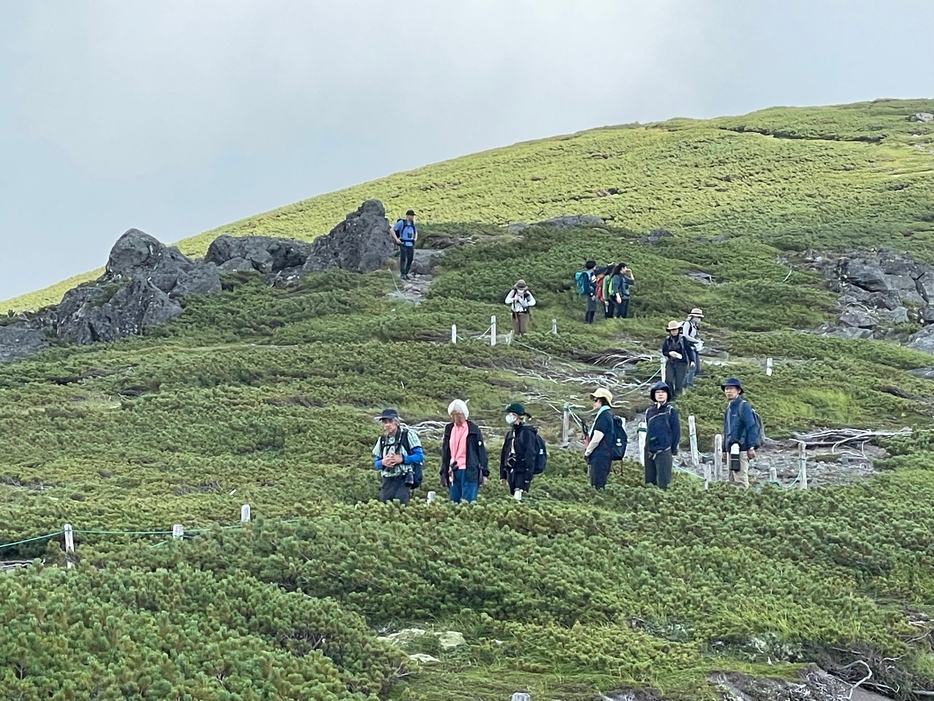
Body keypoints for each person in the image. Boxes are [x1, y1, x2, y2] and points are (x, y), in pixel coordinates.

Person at [440, 399, 489, 503]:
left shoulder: (473, 429)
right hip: (453, 470)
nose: (455, 418)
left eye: (458, 415)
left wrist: (485, 473)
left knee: (468, 501)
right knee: (453, 501)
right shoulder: (449, 429)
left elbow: (481, 452)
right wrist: (443, 472)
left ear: (464, 414)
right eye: (452, 415)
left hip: (469, 470)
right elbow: (445, 452)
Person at [371, 408, 424, 504]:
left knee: (401, 507)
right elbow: (375, 463)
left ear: (396, 422)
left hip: (403, 479)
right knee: (385, 508)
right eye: (385, 422)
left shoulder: (408, 435)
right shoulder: (382, 440)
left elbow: (419, 456)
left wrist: (402, 459)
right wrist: (383, 462)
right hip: (387, 481)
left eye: (390, 421)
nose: (387, 425)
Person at [721, 378, 757, 488]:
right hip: (730, 449)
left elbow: (751, 426)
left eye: (731, 389)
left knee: (740, 479)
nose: (728, 391)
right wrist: (724, 450)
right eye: (726, 389)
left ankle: (743, 502)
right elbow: (726, 430)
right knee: (731, 479)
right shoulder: (729, 408)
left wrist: (751, 447)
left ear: (738, 391)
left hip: (742, 448)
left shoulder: (744, 406)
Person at [644, 382, 680, 490]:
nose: (660, 394)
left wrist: (671, 449)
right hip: (649, 451)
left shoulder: (671, 411)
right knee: (649, 481)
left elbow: (676, 432)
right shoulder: (649, 411)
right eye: (657, 392)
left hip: (664, 450)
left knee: (664, 483)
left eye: (663, 392)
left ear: (667, 395)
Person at [499, 402, 538, 499]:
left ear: (516, 416)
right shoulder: (510, 433)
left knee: (518, 495)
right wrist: (503, 475)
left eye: (510, 414)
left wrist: (528, 476)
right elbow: (504, 454)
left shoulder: (527, 433)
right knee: (513, 494)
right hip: (510, 471)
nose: (507, 417)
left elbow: (530, 454)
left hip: (521, 471)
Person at [583, 387, 615, 489]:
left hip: (600, 455)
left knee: (597, 484)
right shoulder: (606, 414)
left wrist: (587, 452)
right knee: (599, 483)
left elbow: (597, 437)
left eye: (596, 400)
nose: (594, 402)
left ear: (603, 400)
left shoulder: (604, 416)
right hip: (604, 455)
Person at [661, 320, 696, 398]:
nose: (673, 331)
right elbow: (664, 351)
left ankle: (677, 399)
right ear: (669, 331)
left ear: (678, 330)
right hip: (671, 363)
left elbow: (689, 350)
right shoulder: (667, 340)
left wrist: (692, 361)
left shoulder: (683, 339)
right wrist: (669, 353)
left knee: (679, 384)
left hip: (682, 364)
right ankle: (670, 397)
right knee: (668, 381)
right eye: (672, 330)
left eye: (675, 329)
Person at [390, 209, 418, 280]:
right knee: (403, 258)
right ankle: (403, 273)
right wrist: (397, 239)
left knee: (410, 259)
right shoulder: (401, 223)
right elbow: (392, 230)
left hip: (410, 243)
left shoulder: (413, 224)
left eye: (413, 216)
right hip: (403, 243)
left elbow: (415, 231)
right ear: (407, 216)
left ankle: (406, 273)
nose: (412, 217)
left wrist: (415, 238)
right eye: (411, 215)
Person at [681, 308, 704, 387]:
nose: (699, 319)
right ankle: (688, 385)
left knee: (697, 369)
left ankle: (683, 382)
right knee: (692, 367)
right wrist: (696, 341)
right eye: (698, 317)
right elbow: (685, 335)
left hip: (695, 348)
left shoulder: (694, 326)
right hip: (689, 348)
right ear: (693, 316)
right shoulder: (688, 324)